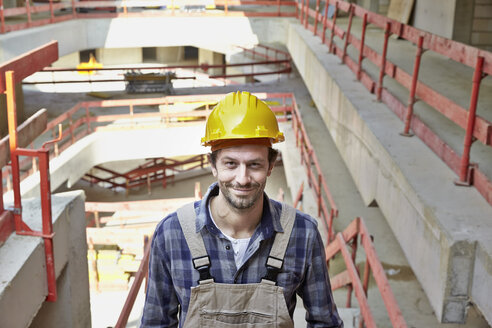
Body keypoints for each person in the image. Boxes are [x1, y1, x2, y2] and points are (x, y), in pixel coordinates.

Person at [141, 91, 343, 328]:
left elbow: (325, 323)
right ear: (213, 165)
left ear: (270, 165)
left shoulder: (302, 233)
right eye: (231, 164)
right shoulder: (172, 234)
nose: (243, 178)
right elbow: (156, 324)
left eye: (254, 164)